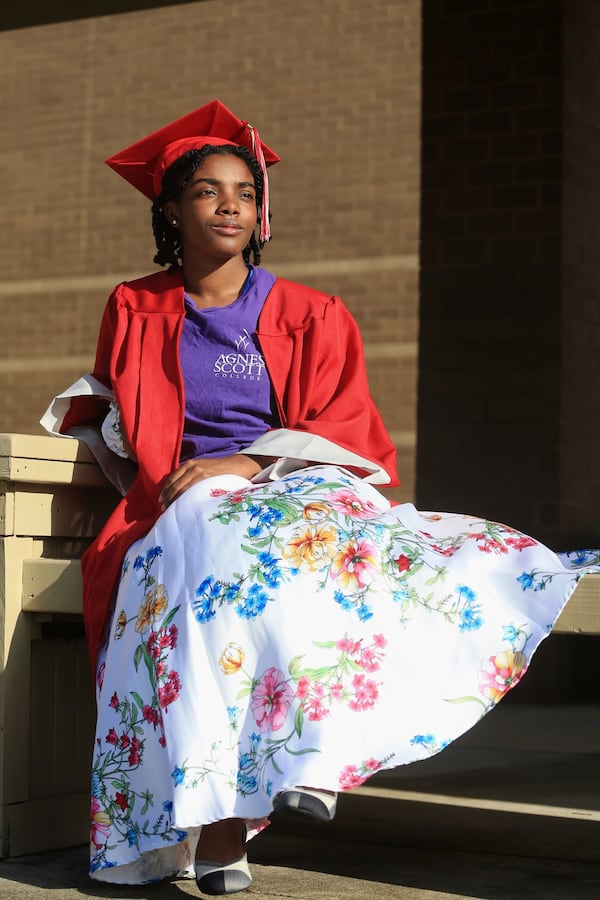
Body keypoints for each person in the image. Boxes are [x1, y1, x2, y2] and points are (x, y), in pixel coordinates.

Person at [42, 99, 599, 895]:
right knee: (210, 564)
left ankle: (303, 760)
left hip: (295, 480)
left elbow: (343, 426)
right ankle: (234, 813)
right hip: (191, 501)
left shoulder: (311, 313)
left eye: (244, 190)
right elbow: (125, 405)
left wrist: (243, 463)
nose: (231, 204)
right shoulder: (136, 306)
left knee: (286, 557)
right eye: (208, 190)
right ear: (171, 208)